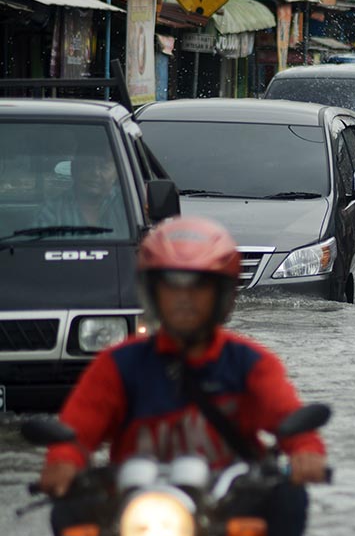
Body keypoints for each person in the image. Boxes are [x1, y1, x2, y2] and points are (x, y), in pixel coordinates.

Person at [38, 217, 328, 535]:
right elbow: (77, 431)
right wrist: (63, 460)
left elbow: (288, 418)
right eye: (172, 285)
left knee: (289, 496)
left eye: (199, 286)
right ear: (152, 291)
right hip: (134, 504)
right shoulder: (118, 364)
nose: (184, 298)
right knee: (68, 507)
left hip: (226, 502)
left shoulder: (250, 363)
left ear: (222, 294)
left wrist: (305, 452)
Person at [36, 151, 128, 237]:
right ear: (74, 170)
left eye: (104, 167)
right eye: (88, 165)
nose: (95, 173)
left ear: (116, 174)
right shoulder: (51, 210)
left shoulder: (127, 203)